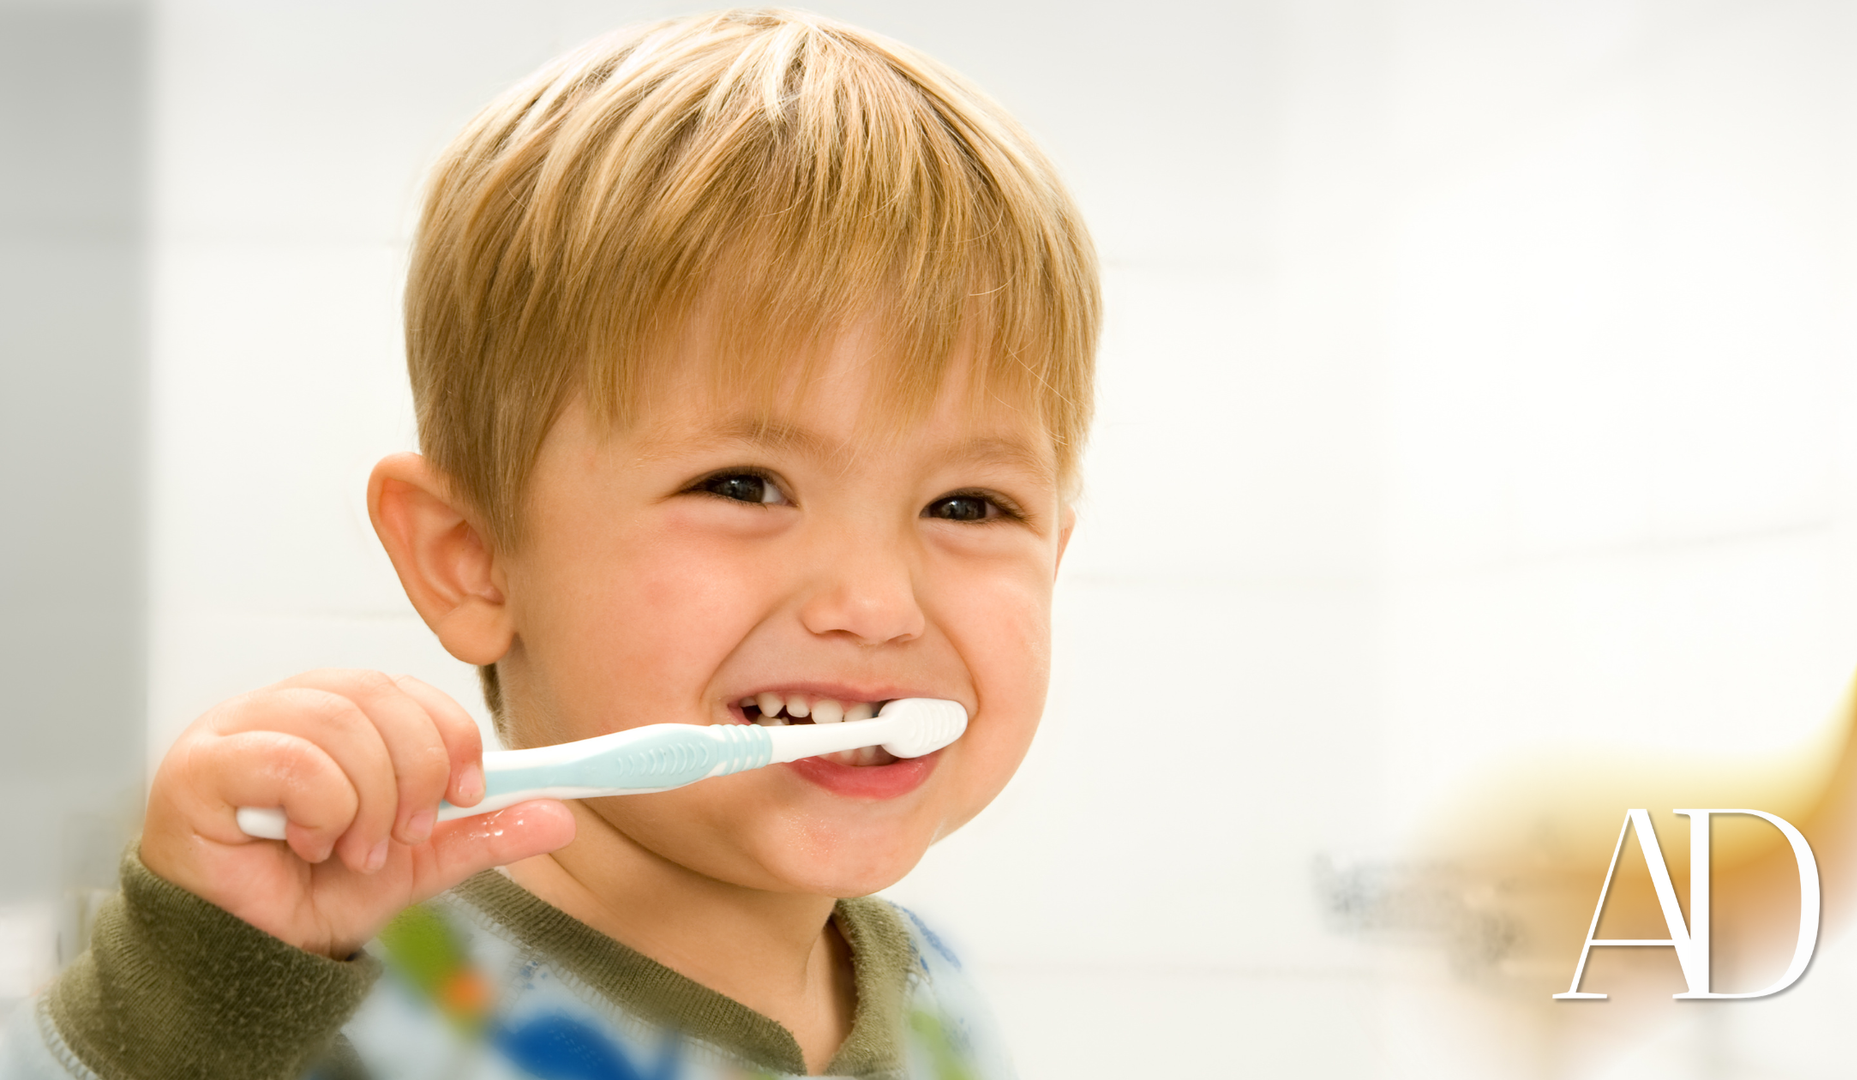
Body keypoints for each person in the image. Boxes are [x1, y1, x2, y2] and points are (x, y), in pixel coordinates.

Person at [2, 9, 1098, 1079]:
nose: (876, 601)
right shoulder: (290, 1000)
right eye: (744, 485)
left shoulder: (937, 1000)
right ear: (469, 555)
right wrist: (175, 1012)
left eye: (970, 506)